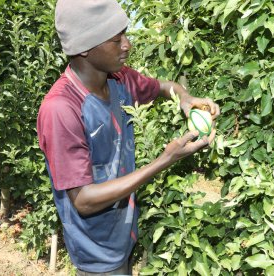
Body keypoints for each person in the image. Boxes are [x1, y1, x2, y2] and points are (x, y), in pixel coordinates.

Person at [37, 0, 220, 275]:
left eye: (125, 34)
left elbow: (164, 86)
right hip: (96, 251)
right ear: (85, 47)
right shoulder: (61, 109)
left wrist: (186, 97)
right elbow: (83, 200)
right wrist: (165, 160)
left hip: (123, 232)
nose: (127, 45)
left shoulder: (119, 79)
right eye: (115, 39)